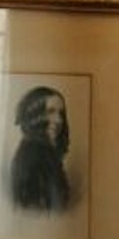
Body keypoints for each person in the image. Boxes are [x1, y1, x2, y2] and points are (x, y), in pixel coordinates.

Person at [6, 84, 76, 215]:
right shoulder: (34, 156)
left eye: (61, 113)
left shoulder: (46, 154)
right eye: (50, 111)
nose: (58, 120)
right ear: (35, 115)